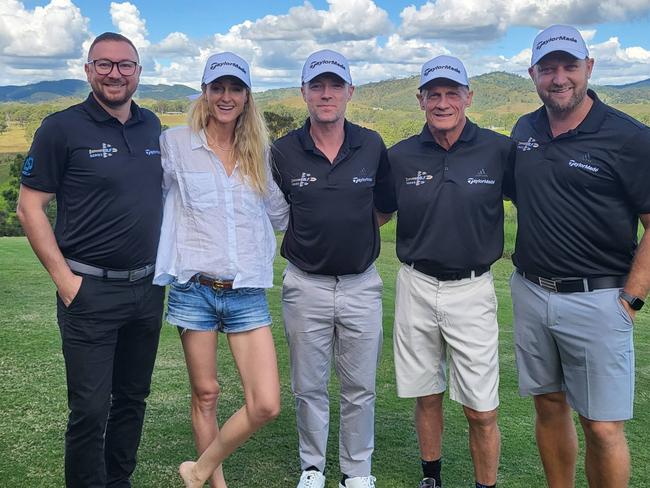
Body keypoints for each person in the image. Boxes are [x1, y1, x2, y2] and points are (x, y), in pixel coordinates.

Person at [16, 32, 164, 487]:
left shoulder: (152, 126)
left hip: (147, 289)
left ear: (138, 72)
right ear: (88, 70)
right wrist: (66, 281)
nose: (115, 73)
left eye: (125, 65)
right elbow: (29, 207)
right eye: (104, 64)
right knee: (90, 410)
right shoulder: (60, 128)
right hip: (88, 290)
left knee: (132, 400)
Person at [510, 24, 650, 487]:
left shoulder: (629, 138)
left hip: (601, 298)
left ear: (589, 67)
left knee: (603, 426)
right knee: (549, 406)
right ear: (533, 74)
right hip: (531, 291)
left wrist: (632, 299)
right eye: (548, 68)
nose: (559, 78)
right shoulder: (524, 128)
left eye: (569, 66)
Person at [152, 52, 288, 488]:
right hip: (194, 289)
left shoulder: (260, 154)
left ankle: (199, 469)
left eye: (235, 89)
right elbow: (143, 196)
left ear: (247, 97)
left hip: (245, 290)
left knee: (265, 403)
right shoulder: (174, 144)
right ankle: (214, 485)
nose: (225, 97)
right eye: (218, 88)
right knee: (206, 394)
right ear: (205, 93)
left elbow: (282, 215)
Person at [387, 55, 515, 488]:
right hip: (416, 284)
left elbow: (534, 203)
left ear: (469, 97)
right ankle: (432, 477)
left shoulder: (498, 150)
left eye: (452, 93)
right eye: (433, 94)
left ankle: (486, 485)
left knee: (482, 408)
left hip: (473, 288)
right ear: (420, 99)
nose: (443, 102)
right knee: (427, 393)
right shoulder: (400, 156)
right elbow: (375, 214)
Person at [271, 49, 395, 488]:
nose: (327, 94)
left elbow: (382, 209)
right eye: (317, 86)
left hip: (361, 283)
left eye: (335, 85)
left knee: (360, 387)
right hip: (305, 285)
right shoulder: (283, 150)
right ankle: (312, 467)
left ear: (350, 92)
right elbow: (279, 211)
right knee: (309, 386)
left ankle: (357, 471)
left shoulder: (372, 144)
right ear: (303, 92)